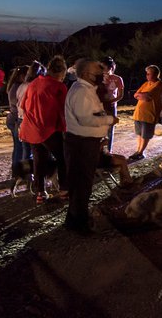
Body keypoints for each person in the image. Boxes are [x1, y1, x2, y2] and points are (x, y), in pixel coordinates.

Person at [63, 59, 119, 234]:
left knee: (81, 183)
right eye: (98, 71)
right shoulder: (81, 91)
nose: (102, 73)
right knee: (82, 184)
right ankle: (79, 224)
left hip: (85, 142)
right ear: (86, 74)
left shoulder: (87, 89)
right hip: (82, 144)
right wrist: (109, 120)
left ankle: (74, 219)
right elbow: (86, 119)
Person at [19, 56, 69, 204]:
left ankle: (40, 192)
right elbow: (63, 110)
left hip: (31, 128)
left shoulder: (34, 83)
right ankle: (64, 190)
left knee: (39, 160)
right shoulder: (59, 87)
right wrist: (65, 128)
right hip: (47, 129)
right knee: (63, 158)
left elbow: (23, 105)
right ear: (62, 72)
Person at [129, 65, 162, 161]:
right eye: (147, 74)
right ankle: (138, 151)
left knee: (145, 135)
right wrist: (141, 95)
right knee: (139, 134)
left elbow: (147, 96)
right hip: (139, 114)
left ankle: (140, 152)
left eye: (149, 74)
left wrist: (141, 95)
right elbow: (135, 94)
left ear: (156, 74)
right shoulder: (146, 84)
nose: (147, 76)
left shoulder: (159, 85)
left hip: (149, 114)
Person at [6, 65, 29, 167]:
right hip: (16, 119)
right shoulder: (18, 87)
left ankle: (16, 169)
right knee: (20, 148)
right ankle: (18, 170)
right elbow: (17, 106)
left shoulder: (14, 86)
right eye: (27, 75)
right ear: (21, 75)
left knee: (18, 147)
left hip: (13, 118)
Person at [99, 56, 124, 152]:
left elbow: (120, 95)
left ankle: (109, 151)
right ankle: (100, 151)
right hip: (99, 107)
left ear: (111, 67)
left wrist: (111, 102)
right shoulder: (98, 78)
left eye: (104, 67)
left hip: (111, 107)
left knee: (110, 130)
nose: (103, 69)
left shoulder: (117, 79)